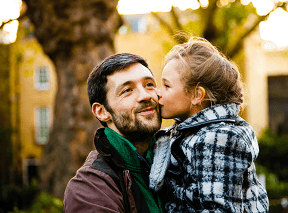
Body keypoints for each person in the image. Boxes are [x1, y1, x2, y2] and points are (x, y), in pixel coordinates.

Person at [149, 38, 269, 212]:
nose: (158, 93)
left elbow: (219, 209)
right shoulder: (187, 131)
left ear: (197, 95)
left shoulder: (219, 138)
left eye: (166, 85)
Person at [64, 53, 163, 213]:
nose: (145, 95)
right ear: (102, 111)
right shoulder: (89, 188)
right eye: (127, 90)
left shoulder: (179, 160)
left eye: (149, 84)